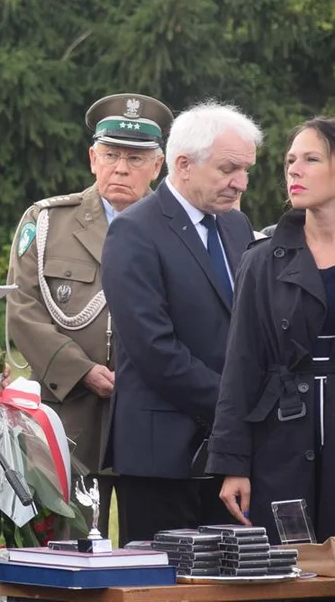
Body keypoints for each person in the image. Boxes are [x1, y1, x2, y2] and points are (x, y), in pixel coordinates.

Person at [5, 93, 169, 539]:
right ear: (92, 158)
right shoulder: (47, 222)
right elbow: (22, 310)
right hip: (71, 413)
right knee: (67, 545)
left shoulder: (177, 228)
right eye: (112, 154)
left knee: (153, 551)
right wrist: (82, 371)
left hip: (152, 413)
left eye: (136, 158)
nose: (121, 167)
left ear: (158, 166)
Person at [102, 101, 262, 544]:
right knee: (161, 584)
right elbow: (154, 349)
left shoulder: (236, 226)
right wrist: (234, 405)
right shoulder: (135, 230)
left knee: (227, 580)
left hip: (226, 452)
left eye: (246, 171)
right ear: (184, 164)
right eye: (229, 168)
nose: (240, 183)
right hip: (161, 455)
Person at [209, 117, 335, 542]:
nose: (294, 171)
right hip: (281, 440)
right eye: (290, 161)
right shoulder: (263, 260)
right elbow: (241, 365)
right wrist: (233, 464)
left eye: (311, 159)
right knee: (287, 571)